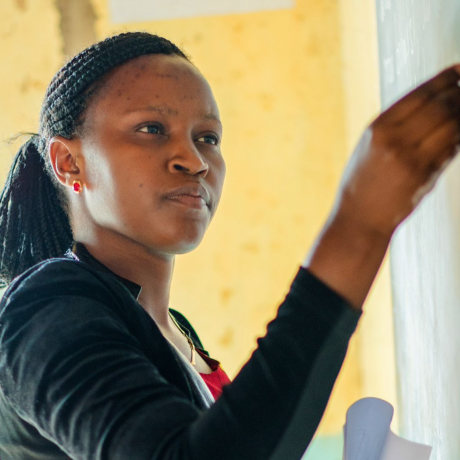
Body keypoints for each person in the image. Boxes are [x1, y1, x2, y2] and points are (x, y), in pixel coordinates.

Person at [0, 31, 458, 460]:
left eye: (208, 138)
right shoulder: (43, 310)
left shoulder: (176, 334)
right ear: (68, 162)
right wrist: (359, 224)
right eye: (151, 129)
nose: (195, 161)